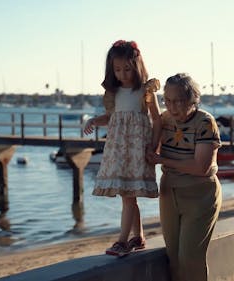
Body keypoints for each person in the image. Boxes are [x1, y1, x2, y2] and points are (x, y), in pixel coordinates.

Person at [83, 40, 162, 257]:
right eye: (118, 70)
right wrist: (92, 121)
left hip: (137, 150)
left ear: (137, 66)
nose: (123, 74)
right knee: (129, 195)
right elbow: (110, 118)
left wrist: (154, 146)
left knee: (128, 196)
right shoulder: (113, 93)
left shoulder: (145, 91)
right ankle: (138, 237)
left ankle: (122, 241)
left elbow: (157, 120)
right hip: (118, 150)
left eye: (127, 69)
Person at [146, 73, 222, 281]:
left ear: (192, 100)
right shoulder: (165, 120)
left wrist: (163, 161)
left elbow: (201, 167)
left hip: (200, 195)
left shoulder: (205, 122)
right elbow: (151, 145)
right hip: (169, 193)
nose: (172, 107)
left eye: (178, 101)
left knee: (190, 258)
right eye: (167, 101)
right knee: (174, 259)